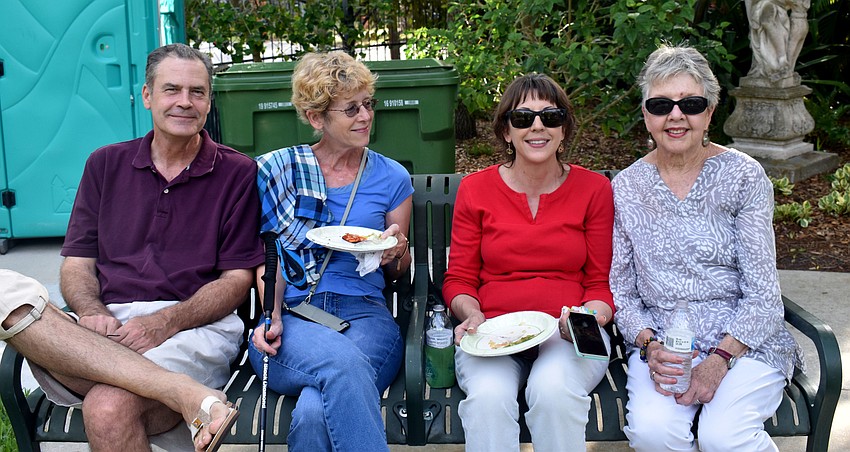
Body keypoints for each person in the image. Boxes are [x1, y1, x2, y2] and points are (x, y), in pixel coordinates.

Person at [3, 42, 265, 452]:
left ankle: (178, 388)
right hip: (106, 325)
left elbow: (236, 280)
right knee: (8, 296)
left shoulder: (236, 172)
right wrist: (91, 311)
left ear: (209, 101)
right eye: (171, 89)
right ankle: (184, 393)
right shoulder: (105, 163)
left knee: (108, 406)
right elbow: (77, 263)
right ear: (147, 95)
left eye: (197, 92)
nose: (185, 101)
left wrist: (164, 322)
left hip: (191, 328)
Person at [610, 44, 804, 451]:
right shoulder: (626, 187)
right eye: (661, 105)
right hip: (664, 344)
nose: (676, 116)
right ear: (646, 114)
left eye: (691, 104)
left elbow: (764, 295)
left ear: (710, 112)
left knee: (723, 436)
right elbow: (622, 293)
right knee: (652, 432)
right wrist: (649, 345)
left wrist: (719, 359)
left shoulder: (743, 177)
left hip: (744, 343)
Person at [249, 51, 413, 451]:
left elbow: (399, 271)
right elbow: (270, 258)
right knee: (343, 364)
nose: (366, 116)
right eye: (351, 108)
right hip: (294, 314)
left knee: (313, 412)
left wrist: (397, 252)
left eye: (368, 103)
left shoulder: (391, 176)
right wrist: (271, 315)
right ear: (316, 117)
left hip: (365, 314)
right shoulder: (281, 171)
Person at [442, 73, 615, 451]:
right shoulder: (475, 190)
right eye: (523, 118)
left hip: (567, 332)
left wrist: (586, 319)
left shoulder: (594, 190)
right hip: (493, 331)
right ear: (506, 131)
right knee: (488, 398)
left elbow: (600, 285)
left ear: (564, 129)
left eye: (550, 117)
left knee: (553, 392)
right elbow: (459, 280)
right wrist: (471, 313)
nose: (537, 126)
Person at [745, 0, 810, 80]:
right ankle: (782, 61)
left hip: (780, 8)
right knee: (767, 20)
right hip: (764, 5)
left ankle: (786, 67)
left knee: (769, 20)